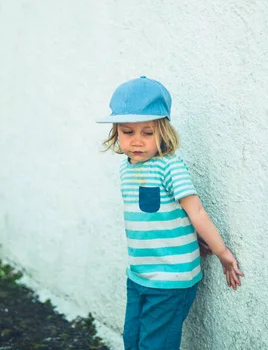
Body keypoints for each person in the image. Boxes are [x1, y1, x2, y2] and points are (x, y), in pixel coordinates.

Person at [97, 76, 244, 350]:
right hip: (139, 274)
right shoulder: (127, 169)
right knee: (132, 339)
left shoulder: (170, 166)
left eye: (147, 132)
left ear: (163, 131)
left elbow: (196, 211)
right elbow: (160, 215)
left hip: (170, 278)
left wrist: (222, 253)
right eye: (128, 132)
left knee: (156, 344)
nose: (137, 141)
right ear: (116, 131)